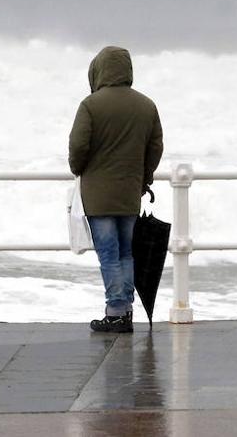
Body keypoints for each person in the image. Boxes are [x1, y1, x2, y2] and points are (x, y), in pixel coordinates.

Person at [68, 45, 163, 333]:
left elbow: (78, 146)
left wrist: (78, 168)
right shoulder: (146, 105)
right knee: (127, 254)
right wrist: (144, 177)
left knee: (108, 253)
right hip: (129, 193)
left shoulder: (90, 105)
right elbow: (155, 147)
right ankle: (126, 309)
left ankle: (116, 310)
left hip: (98, 194)